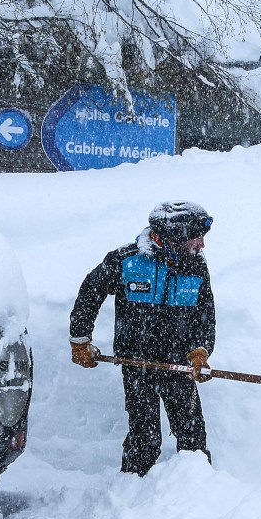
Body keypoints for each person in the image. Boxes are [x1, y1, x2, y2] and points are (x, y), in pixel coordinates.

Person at [69, 201, 216, 475]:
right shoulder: (127, 260)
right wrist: (80, 340)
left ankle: (199, 497)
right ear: (174, 237)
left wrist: (200, 351)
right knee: (144, 440)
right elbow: (91, 292)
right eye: (196, 238)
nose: (202, 245)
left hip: (179, 365)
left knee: (193, 438)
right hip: (136, 364)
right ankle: (131, 494)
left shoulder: (195, 267)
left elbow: (204, 315)